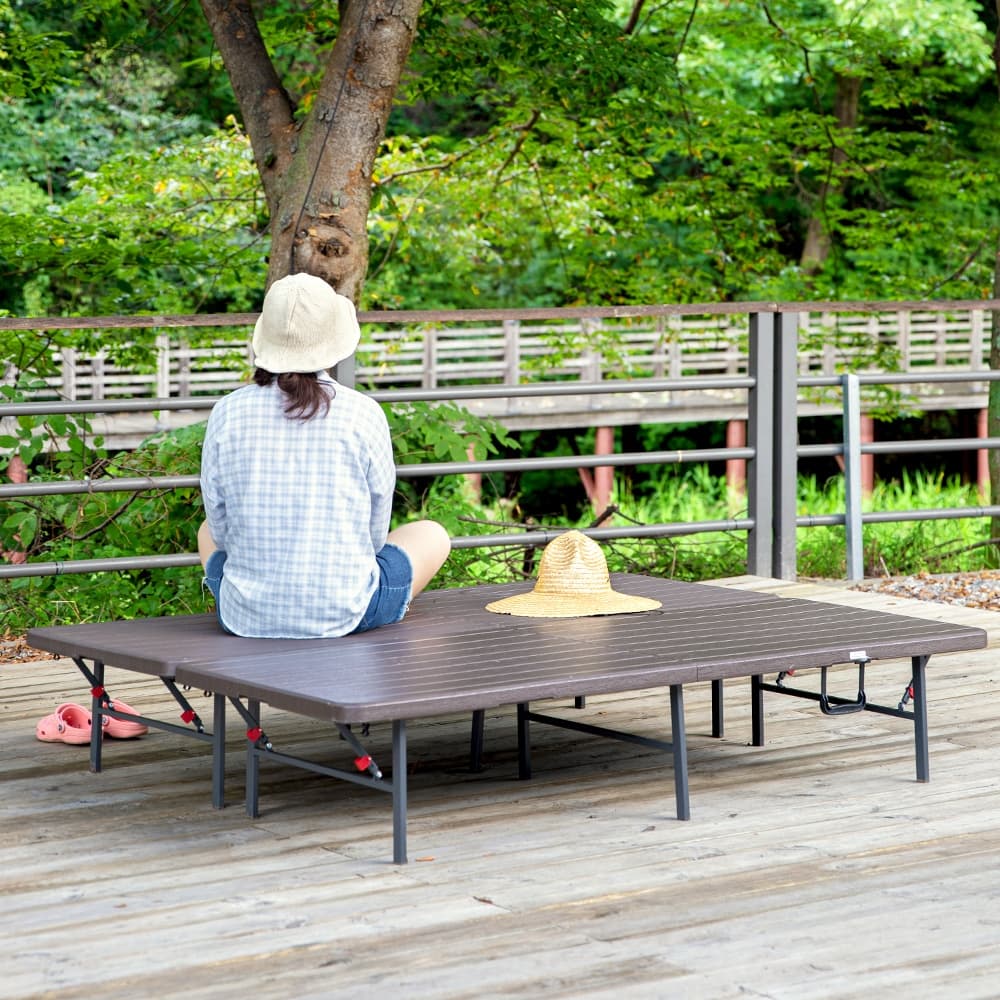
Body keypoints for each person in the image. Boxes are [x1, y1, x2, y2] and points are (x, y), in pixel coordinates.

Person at [197, 272, 450, 638]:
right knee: (432, 534)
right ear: (333, 340)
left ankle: (265, 604)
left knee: (205, 529)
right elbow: (374, 536)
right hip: (346, 611)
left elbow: (220, 530)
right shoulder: (362, 412)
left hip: (244, 614)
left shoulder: (226, 411)